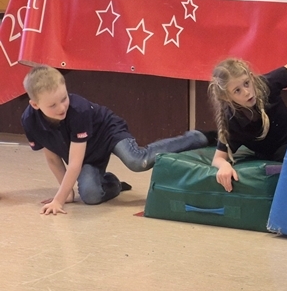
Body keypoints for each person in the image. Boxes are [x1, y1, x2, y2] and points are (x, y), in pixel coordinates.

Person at [22, 65, 210, 215]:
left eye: (64, 99)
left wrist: (58, 200)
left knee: (137, 161)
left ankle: (195, 138)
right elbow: (53, 159)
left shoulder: (78, 110)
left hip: (107, 132)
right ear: (35, 104)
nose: (62, 107)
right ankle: (113, 183)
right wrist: (67, 194)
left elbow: (75, 163)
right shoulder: (29, 122)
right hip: (88, 152)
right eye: (52, 105)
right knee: (91, 196)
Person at [208, 47, 287, 192]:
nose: (247, 92)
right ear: (227, 97)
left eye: (246, 83)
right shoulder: (233, 121)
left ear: (252, 78)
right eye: (237, 91)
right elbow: (218, 158)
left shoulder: (267, 85)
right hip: (279, 152)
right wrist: (224, 166)